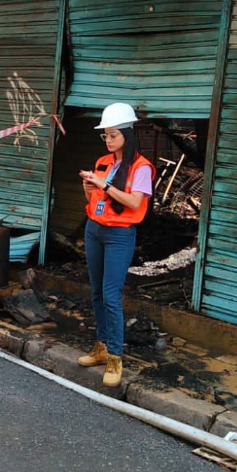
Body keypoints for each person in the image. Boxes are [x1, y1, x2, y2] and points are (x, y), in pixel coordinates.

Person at [78, 102, 155, 388]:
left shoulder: (141, 167)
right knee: (96, 291)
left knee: (111, 295)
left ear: (127, 134)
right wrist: (88, 188)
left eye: (112, 135)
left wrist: (104, 185)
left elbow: (135, 202)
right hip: (94, 229)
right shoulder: (103, 162)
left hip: (120, 235)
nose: (108, 141)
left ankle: (115, 356)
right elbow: (91, 202)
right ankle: (100, 346)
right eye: (105, 136)